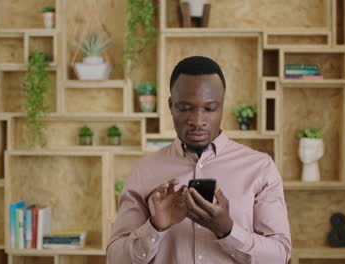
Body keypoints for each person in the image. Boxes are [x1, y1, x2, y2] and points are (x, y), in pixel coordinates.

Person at [107, 56, 291, 263]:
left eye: (210, 108)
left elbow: (279, 256)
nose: (197, 121)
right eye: (185, 108)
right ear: (171, 106)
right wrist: (155, 227)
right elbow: (116, 258)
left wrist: (227, 230)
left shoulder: (260, 168)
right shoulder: (144, 170)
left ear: (221, 106)